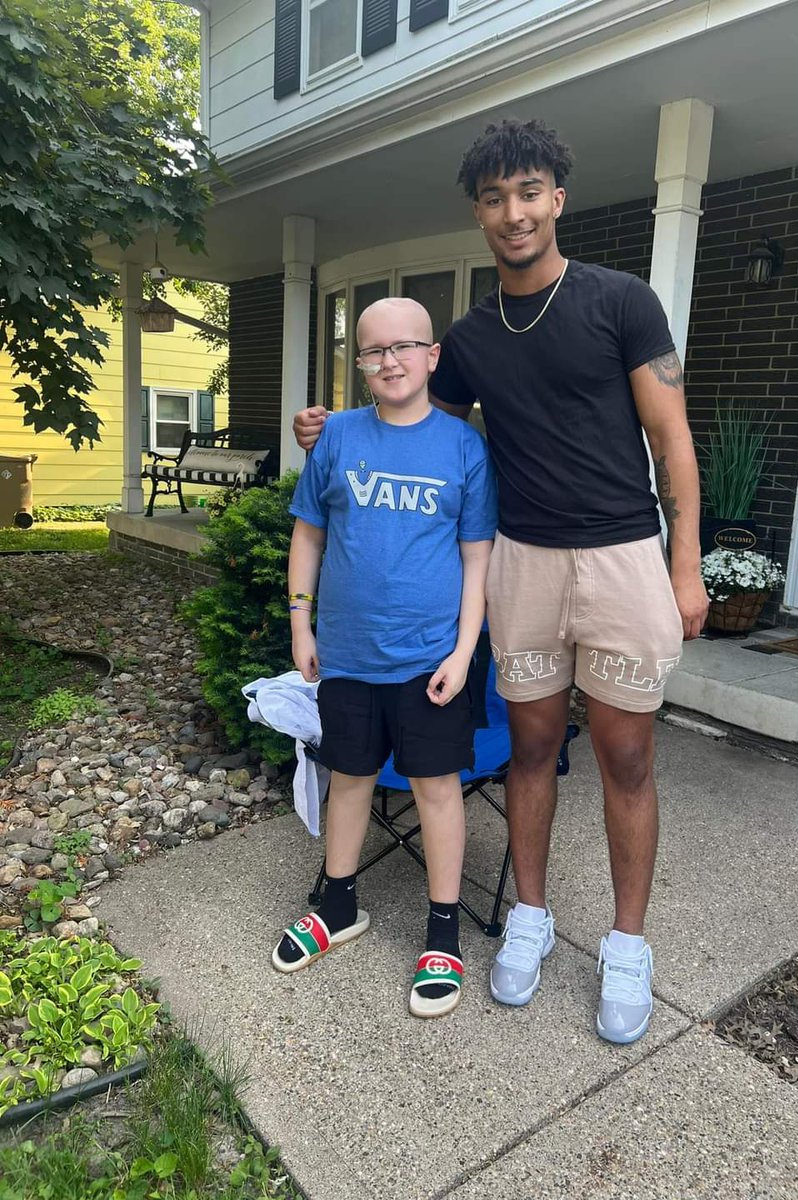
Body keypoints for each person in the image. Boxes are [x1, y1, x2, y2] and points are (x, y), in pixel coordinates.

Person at [294, 120, 708, 1044]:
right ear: (479, 213)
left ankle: (627, 945)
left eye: (529, 192)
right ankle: (529, 916)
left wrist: (685, 562)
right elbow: (410, 421)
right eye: (494, 198)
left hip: (621, 555)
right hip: (520, 559)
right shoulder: (472, 338)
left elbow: (671, 438)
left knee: (626, 757)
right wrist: (333, 433)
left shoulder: (621, 302)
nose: (513, 213)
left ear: (557, 197)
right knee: (528, 749)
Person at [274, 297, 496, 1020]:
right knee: (349, 779)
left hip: (430, 658)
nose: (390, 360)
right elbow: (308, 536)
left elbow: (476, 558)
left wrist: (465, 652)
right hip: (346, 656)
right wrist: (301, 629)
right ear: (360, 364)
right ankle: (338, 906)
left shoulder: (463, 449)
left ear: (433, 357)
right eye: (374, 351)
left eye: (405, 346)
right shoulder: (336, 439)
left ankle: (442, 933)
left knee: (435, 789)